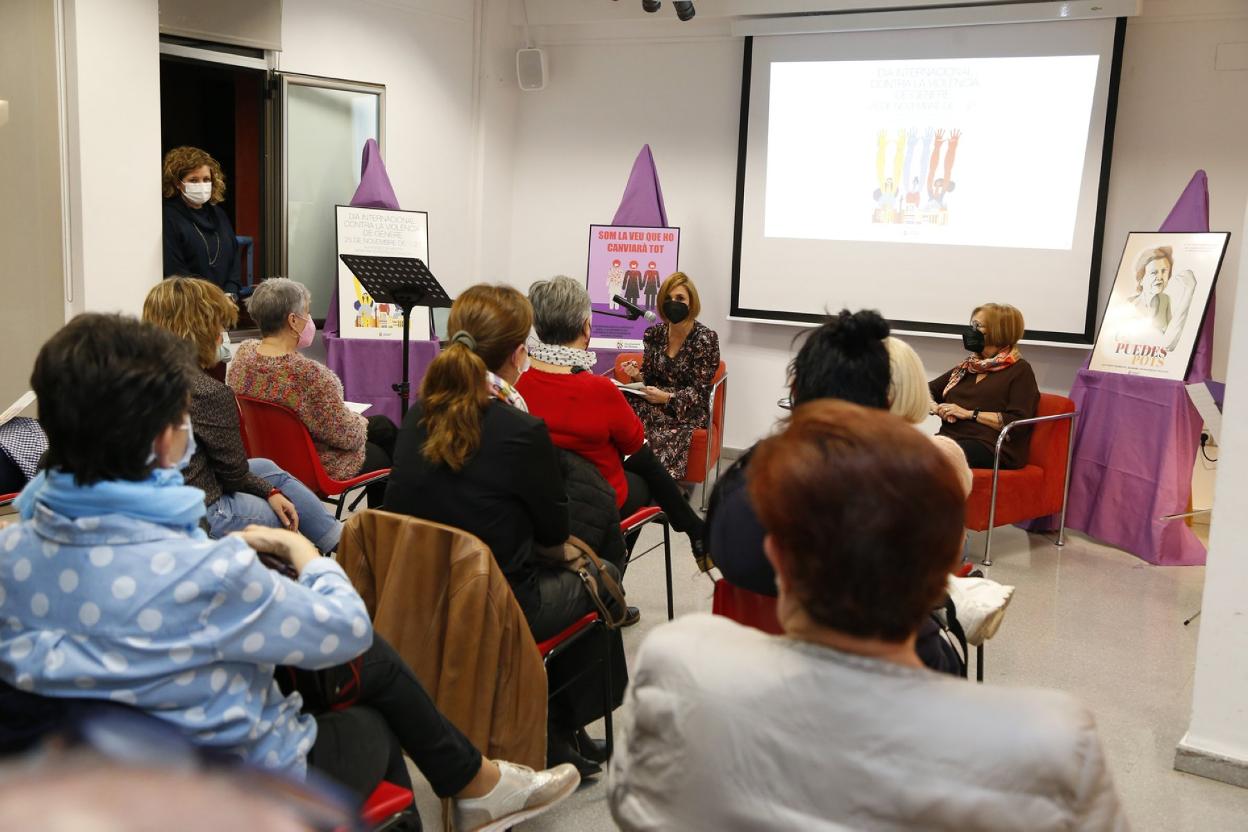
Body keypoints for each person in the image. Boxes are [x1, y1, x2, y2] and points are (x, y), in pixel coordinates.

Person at [0, 313, 579, 831]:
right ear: (163, 441)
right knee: (368, 717)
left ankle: (477, 788)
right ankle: (474, 790)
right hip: (212, 789)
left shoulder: (12, 551)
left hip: (68, 782)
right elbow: (348, 628)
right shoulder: (209, 571)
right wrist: (304, 556)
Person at [610, 400, 1128, 831]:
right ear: (947, 566)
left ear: (777, 558)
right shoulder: (1051, 747)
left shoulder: (678, 664)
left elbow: (635, 806)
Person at [381, 284, 626, 777]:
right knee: (603, 574)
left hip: (421, 595)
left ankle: (557, 727)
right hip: (499, 604)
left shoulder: (417, 415)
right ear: (518, 355)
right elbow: (553, 533)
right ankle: (557, 726)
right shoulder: (521, 430)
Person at [518, 276, 709, 568]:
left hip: (539, 504)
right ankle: (616, 571)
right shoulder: (599, 390)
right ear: (586, 327)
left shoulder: (519, 385)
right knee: (645, 473)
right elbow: (639, 452)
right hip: (596, 505)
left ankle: (692, 528)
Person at [142, 278, 342, 553]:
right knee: (282, 514)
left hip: (161, 497)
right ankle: (336, 550)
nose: (222, 333)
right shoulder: (207, 392)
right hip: (199, 510)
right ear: (202, 329)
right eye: (220, 325)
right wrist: (270, 495)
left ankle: (340, 540)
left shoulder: (140, 378)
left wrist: (269, 489)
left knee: (264, 467)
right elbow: (232, 474)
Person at [227, 278, 395, 507]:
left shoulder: (243, 358)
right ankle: (384, 520)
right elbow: (347, 436)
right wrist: (359, 422)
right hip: (314, 463)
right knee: (385, 450)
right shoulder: (309, 375)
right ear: (293, 321)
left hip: (266, 456)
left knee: (383, 426)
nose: (309, 320)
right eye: (306, 312)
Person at [618, 272, 721, 481]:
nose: (673, 303)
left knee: (655, 429)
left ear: (692, 302)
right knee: (621, 407)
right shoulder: (654, 334)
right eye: (668, 298)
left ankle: (656, 485)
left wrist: (666, 398)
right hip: (653, 401)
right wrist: (637, 376)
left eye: (680, 298)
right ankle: (622, 477)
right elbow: (649, 379)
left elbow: (700, 392)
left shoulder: (705, 339)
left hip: (686, 410)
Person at [929, 303, 1040, 470]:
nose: (971, 331)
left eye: (977, 326)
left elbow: (1018, 422)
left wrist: (968, 414)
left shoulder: (1020, 370)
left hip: (990, 446)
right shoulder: (968, 367)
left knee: (931, 458)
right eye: (971, 325)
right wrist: (936, 408)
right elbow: (925, 390)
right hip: (950, 439)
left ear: (998, 331)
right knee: (906, 451)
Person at [161, 147, 242, 294]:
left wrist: (231, 292)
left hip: (226, 301)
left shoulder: (219, 214)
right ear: (178, 183)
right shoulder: (169, 217)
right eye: (193, 180)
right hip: (191, 301)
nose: (201, 185)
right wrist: (209, 299)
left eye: (206, 179)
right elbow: (176, 271)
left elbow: (234, 258)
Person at [1125, 246, 1197, 351]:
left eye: (1164, 271)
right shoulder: (1130, 306)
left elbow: (1170, 341)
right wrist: (1189, 291)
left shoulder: (1164, 300)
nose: (1160, 277)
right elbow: (1166, 344)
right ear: (1141, 279)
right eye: (1154, 272)